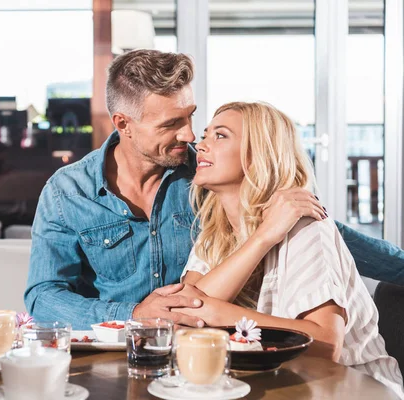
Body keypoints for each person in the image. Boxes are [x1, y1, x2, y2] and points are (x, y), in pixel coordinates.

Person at [25, 49, 404, 331]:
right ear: (124, 123)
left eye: (191, 116)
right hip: (118, 348)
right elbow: (43, 297)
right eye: (172, 123)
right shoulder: (67, 192)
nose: (190, 136)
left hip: (211, 349)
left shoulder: (211, 174)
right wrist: (134, 314)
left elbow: (313, 231)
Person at [177, 101, 403, 397]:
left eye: (220, 135)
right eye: (205, 134)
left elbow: (325, 345)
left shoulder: (306, 226)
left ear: (259, 155)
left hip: (354, 389)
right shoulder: (214, 233)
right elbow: (183, 312)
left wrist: (222, 313)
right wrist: (261, 239)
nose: (200, 144)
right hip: (278, 386)